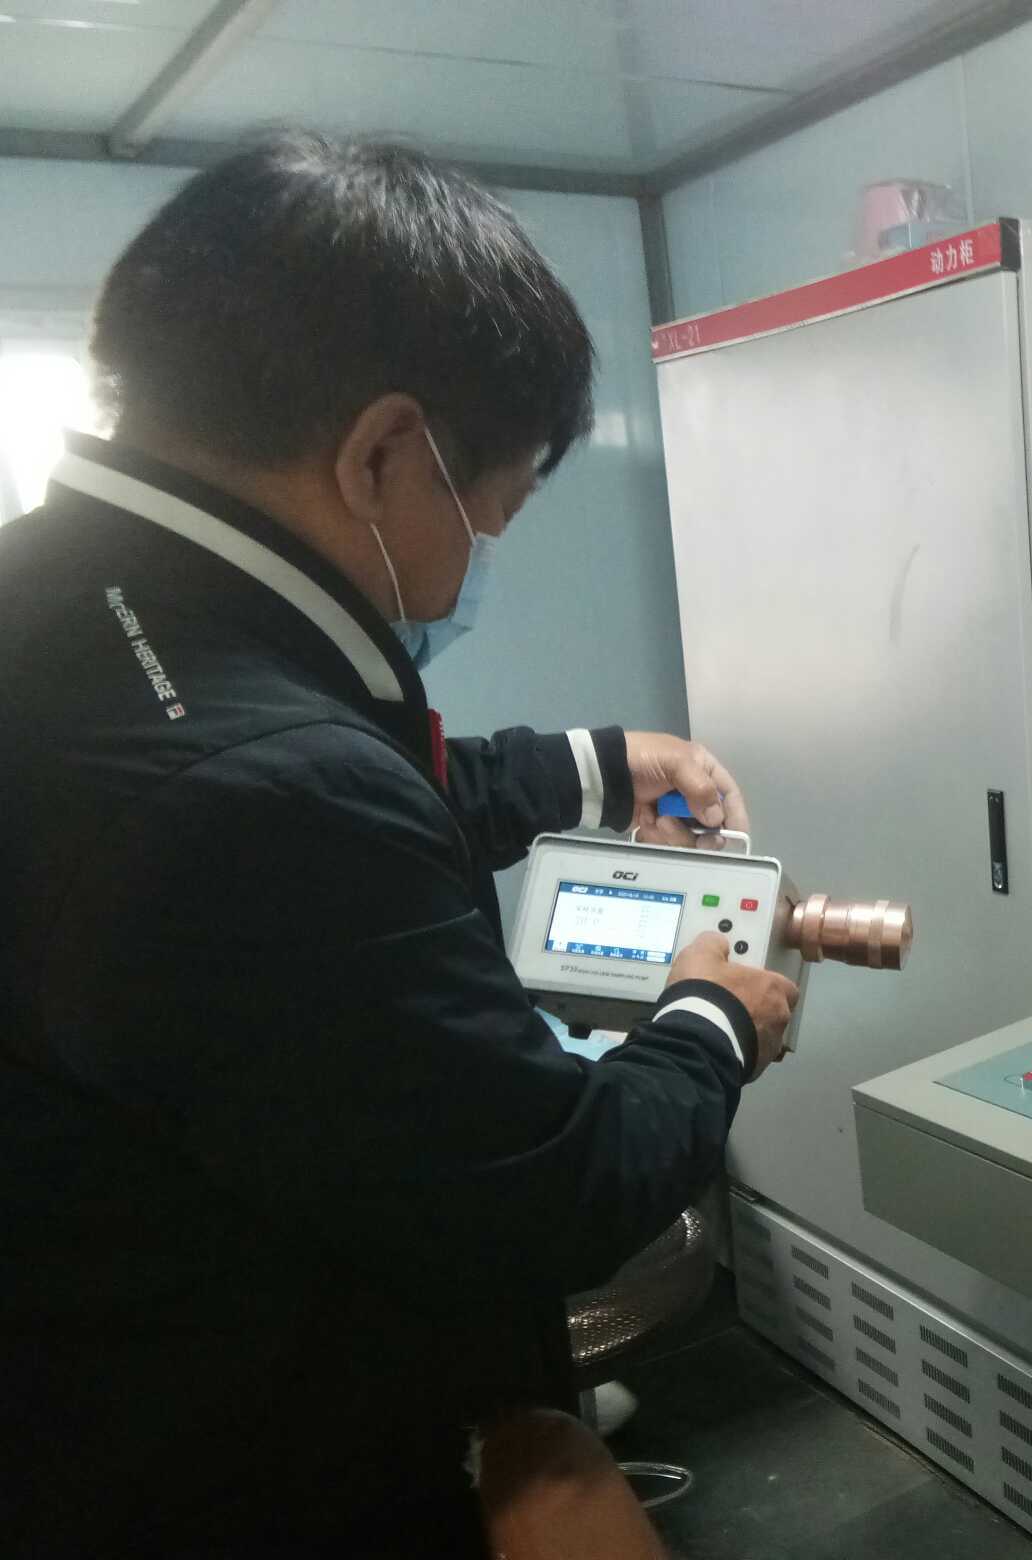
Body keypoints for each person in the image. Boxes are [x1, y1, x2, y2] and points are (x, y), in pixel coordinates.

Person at [0, 133, 798, 1556]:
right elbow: (555, 1196)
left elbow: (343, 767)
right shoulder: (264, 799)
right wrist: (711, 1019)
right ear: (380, 456)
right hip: (243, 1472)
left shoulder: (62, 605)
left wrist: (589, 765)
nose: (487, 544)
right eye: (500, 503)